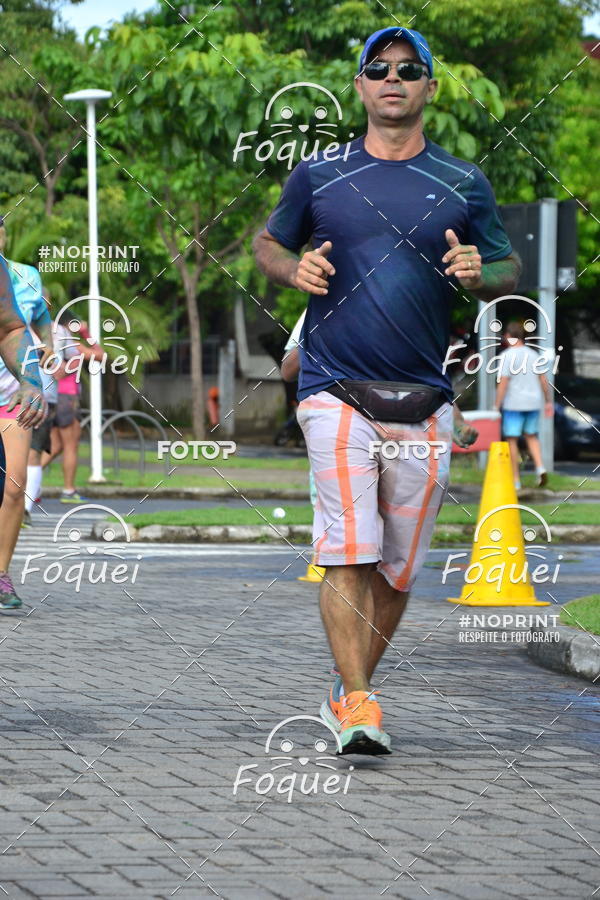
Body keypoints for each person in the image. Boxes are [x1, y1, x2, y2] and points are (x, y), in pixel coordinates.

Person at [254, 26, 519, 755]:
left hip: (425, 398)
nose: (392, 78)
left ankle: (348, 689)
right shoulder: (320, 174)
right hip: (333, 388)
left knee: (398, 572)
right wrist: (291, 270)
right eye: (378, 68)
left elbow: (507, 268)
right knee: (350, 552)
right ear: (361, 86)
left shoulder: (463, 182)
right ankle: (363, 703)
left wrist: (479, 274)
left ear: (430, 86)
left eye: (409, 69)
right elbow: (267, 242)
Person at [0, 250, 47, 609]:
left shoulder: (19, 274)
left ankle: (1, 576)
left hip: (8, 397)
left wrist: (31, 381)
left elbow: (13, 327)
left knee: (13, 486)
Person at [42, 315, 103, 502]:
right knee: (71, 445)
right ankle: (69, 490)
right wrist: (85, 332)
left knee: (56, 446)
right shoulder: (71, 344)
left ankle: (28, 482)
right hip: (67, 397)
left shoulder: (53, 342)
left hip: (53, 398)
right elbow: (100, 355)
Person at [494, 321, 553, 490]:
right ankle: (540, 467)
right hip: (533, 403)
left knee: (512, 440)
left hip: (513, 404)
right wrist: (548, 401)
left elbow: (503, 383)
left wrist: (496, 405)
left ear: (508, 336)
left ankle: (516, 480)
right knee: (531, 436)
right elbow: (543, 380)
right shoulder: (534, 355)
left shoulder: (506, 356)